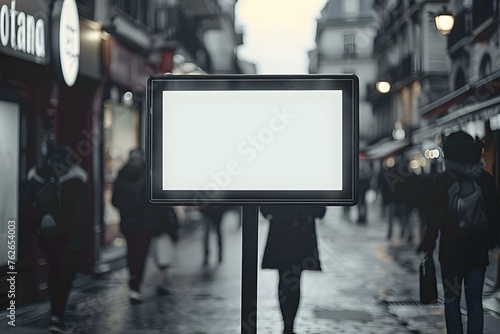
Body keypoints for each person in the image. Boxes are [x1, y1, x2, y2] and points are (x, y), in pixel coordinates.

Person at [422, 130, 500, 334]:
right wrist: (490, 242)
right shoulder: (484, 179)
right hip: (477, 253)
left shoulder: (443, 180)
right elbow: (494, 213)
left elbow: (433, 219)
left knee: (452, 301)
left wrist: (428, 246)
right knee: (475, 302)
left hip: (451, 254)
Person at [22, 146, 88, 334]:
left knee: (54, 273)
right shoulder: (77, 179)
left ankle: (55, 315)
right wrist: (79, 239)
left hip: (48, 238)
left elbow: (26, 209)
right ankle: (57, 316)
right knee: (65, 278)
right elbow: (82, 214)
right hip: (70, 240)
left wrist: (37, 229)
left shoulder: (37, 178)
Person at [261, 206, 326, 334]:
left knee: (285, 280)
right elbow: (320, 210)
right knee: (294, 281)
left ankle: (287, 323)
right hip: (301, 233)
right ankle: (289, 324)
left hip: (282, 232)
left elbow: (265, 208)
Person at [112, 149, 157, 304]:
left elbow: (115, 200)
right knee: (138, 254)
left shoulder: (124, 174)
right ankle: (135, 285)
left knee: (134, 253)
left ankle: (135, 284)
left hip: (134, 221)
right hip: (140, 222)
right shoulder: (147, 175)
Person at [149, 206, 179, 295]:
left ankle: (162, 282)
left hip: (160, 234)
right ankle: (161, 283)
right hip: (163, 235)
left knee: (162, 260)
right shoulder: (164, 208)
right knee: (163, 260)